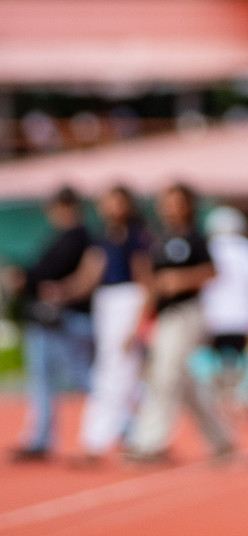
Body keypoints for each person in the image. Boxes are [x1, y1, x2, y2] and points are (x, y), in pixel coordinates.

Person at [123, 183, 233, 464]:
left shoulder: (196, 238)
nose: (170, 207)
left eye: (176, 202)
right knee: (184, 383)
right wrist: (138, 324)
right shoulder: (159, 241)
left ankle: (149, 441)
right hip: (166, 317)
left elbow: (212, 272)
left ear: (188, 205)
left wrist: (181, 280)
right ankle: (222, 439)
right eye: (166, 202)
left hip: (187, 312)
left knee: (165, 376)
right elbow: (152, 287)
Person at [54, 186, 154, 464]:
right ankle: (129, 435)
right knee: (115, 374)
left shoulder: (137, 238)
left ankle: (102, 440)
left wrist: (139, 322)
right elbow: (86, 279)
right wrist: (59, 291)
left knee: (118, 374)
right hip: (107, 306)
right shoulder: (102, 240)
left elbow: (146, 282)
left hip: (128, 304)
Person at [3, 187, 94, 462]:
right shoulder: (62, 237)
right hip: (48, 319)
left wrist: (25, 278)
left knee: (82, 376)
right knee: (43, 378)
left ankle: (123, 424)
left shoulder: (78, 237)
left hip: (65, 319)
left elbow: (51, 272)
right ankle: (40, 438)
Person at [201, 206, 248, 400]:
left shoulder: (207, 249)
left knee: (215, 374)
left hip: (213, 321)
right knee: (247, 375)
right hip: (247, 320)